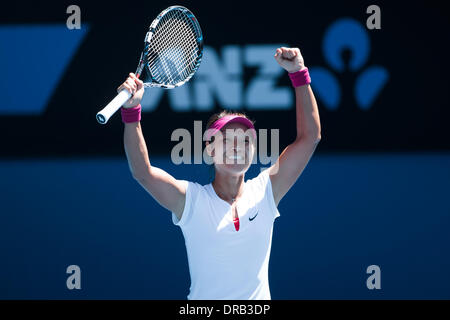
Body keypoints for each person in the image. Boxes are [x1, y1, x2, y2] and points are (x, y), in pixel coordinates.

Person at [119, 47, 321, 299]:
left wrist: (299, 74)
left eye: (245, 140)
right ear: (210, 149)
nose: (237, 146)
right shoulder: (191, 200)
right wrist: (131, 112)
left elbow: (310, 137)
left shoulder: (266, 190)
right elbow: (143, 172)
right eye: (226, 139)